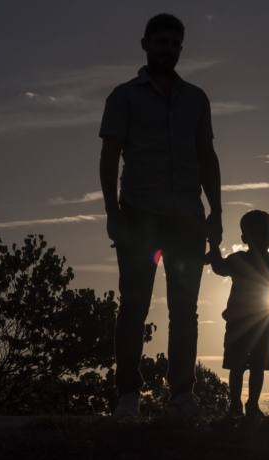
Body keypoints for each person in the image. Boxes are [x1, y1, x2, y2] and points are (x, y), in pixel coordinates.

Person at [99, 13, 223, 417]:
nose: (168, 49)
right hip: (139, 213)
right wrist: (112, 212)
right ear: (146, 44)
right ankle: (128, 396)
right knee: (134, 304)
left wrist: (216, 212)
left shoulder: (197, 98)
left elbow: (207, 156)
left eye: (175, 44)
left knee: (185, 308)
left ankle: (181, 395)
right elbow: (110, 155)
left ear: (180, 50)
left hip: (188, 216)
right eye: (161, 42)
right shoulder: (124, 96)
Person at [206, 210, 269, 419]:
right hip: (247, 324)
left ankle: (249, 406)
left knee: (250, 366)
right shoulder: (265, 264)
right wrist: (213, 247)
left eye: (264, 234)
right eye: (256, 234)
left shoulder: (266, 264)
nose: (261, 239)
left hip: (257, 325)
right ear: (245, 238)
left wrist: (213, 246)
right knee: (241, 366)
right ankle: (238, 406)